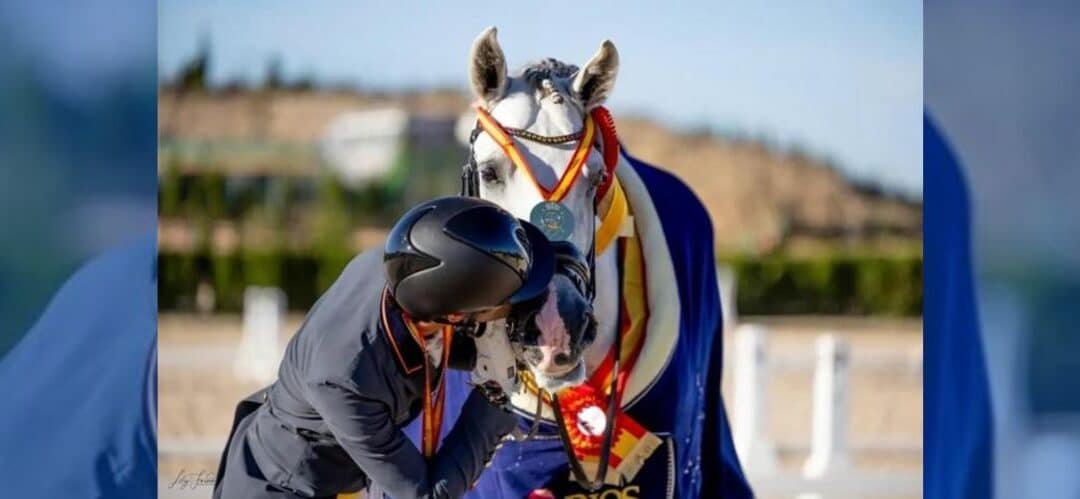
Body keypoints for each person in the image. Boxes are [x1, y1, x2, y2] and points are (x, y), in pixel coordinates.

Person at [214, 196, 556, 499]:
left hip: (346, 475)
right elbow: (427, 493)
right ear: (453, 314)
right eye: (505, 305)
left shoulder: (410, 261)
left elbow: (441, 342)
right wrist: (494, 397)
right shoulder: (345, 377)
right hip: (284, 486)